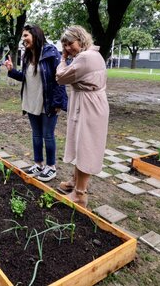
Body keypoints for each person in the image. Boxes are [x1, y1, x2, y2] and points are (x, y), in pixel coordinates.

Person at [4, 24, 67, 182]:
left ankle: (51, 167)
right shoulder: (27, 55)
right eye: (23, 36)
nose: (23, 39)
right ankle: (38, 164)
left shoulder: (50, 52)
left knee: (48, 135)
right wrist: (12, 71)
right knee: (36, 134)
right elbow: (27, 77)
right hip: (31, 100)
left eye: (26, 36)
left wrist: (58, 102)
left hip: (47, 102)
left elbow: (60, 79)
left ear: (36, 35)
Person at [56, 25, 109, 208]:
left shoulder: (86, 57)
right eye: (65, 46)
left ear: (81, 39)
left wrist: (63, 59)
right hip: (88, 103)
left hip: (90, 106)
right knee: (80, 143)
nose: (68, 48)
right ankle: (75, 181)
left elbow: (61, 77)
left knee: (86, 146)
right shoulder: (90, 55)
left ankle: (80, 194)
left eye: (70, 43)